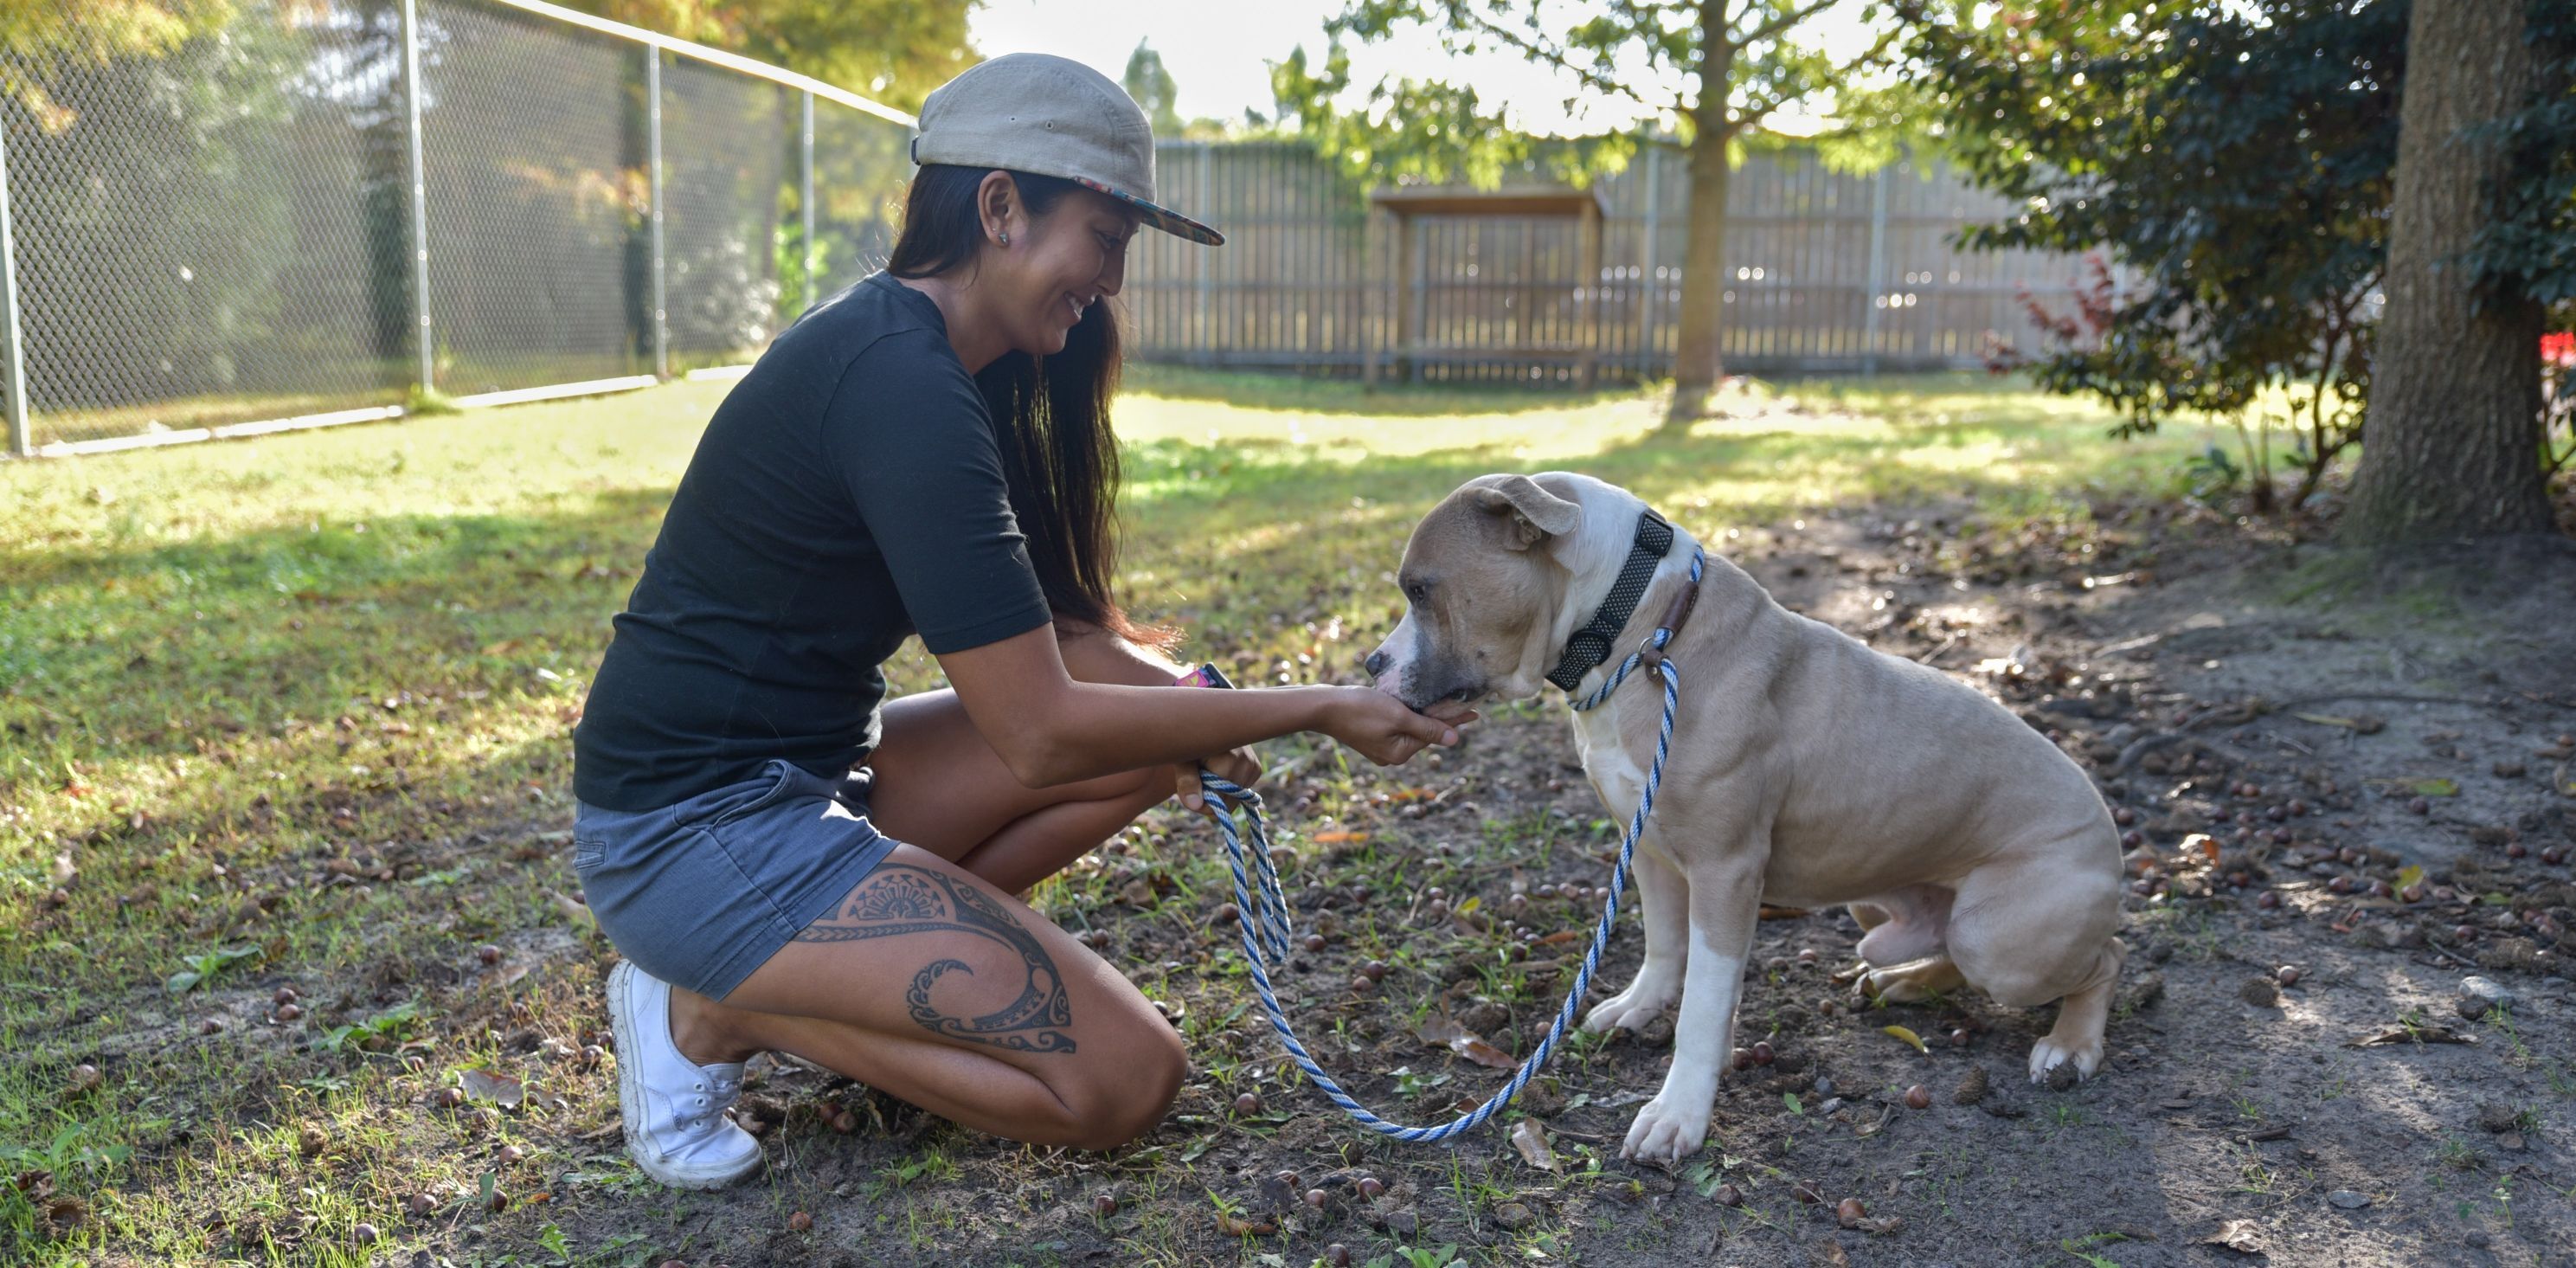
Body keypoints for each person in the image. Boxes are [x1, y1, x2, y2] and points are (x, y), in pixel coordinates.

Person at [569, 53, 1472, 1190]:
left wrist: (1190, 705)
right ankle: (713, 1001)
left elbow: (1058, 638)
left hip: (810, 785)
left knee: (1152, 744)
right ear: (999, 206)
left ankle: (764, 967)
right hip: (686, 834)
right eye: (1103, 235)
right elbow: (1037, 730)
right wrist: (1321, 706)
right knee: (1120, 1079)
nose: (1108, 276)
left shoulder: (954, 367)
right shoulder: (896, 381)